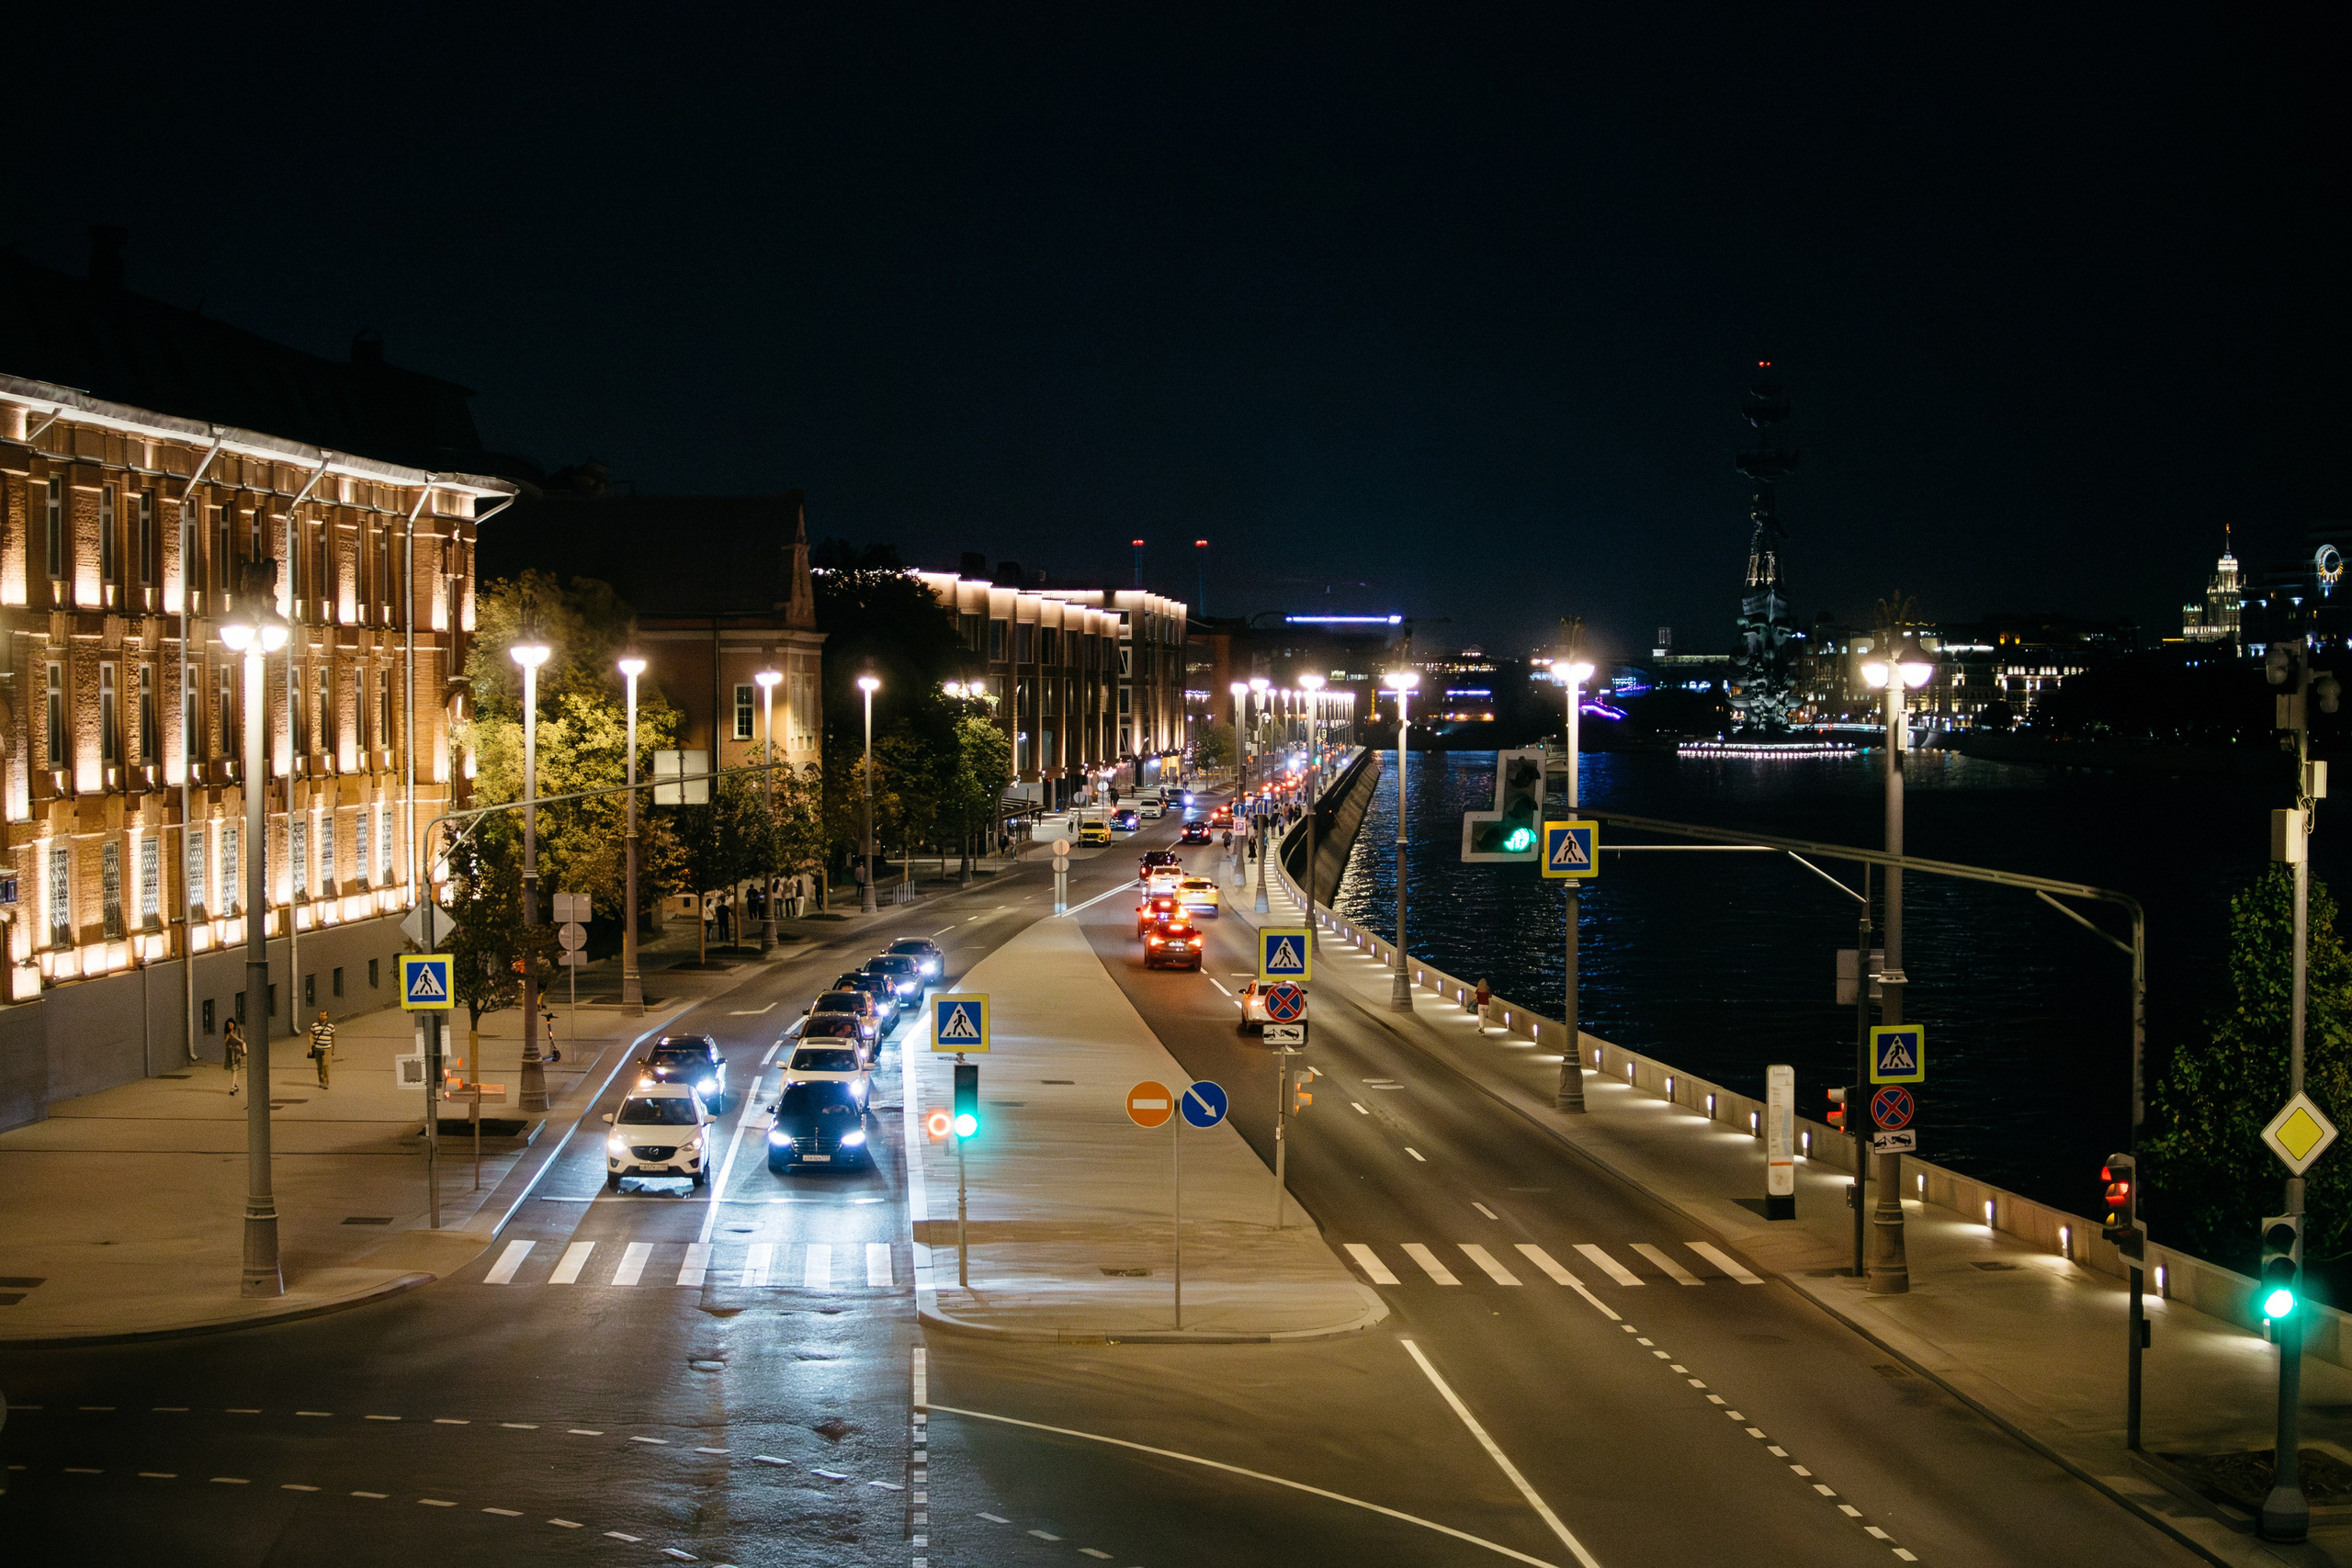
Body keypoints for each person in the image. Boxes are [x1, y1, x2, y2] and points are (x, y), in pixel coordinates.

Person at [307, 1010, 336, 1089]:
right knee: (319, 1066)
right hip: (317, 1048)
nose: (322, 1017)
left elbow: (333, 1038)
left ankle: (326, 1081)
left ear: (327, 1017)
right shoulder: (314, 1026)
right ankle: (321, 1081)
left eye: (323, 1015)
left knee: (325, 1065)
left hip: (327, 1048)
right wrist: (310, 1048)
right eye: (321, 1015)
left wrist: (333, 1049)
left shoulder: (331, 1026)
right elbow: (311, 1037)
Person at [223, 1017, 247, 1096]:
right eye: (229, 1025)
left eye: (231, 1024)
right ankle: (235, 1084)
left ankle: (232, 1087)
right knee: (233, 1069)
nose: (230, 1026)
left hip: (236, 1052)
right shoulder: (227, 1032)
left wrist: (233, 1036)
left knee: (235, 1069)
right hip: (230, 1053)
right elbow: (226, 1043)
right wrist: (229, 1035)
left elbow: (241, 1041)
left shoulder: (238, 1030)